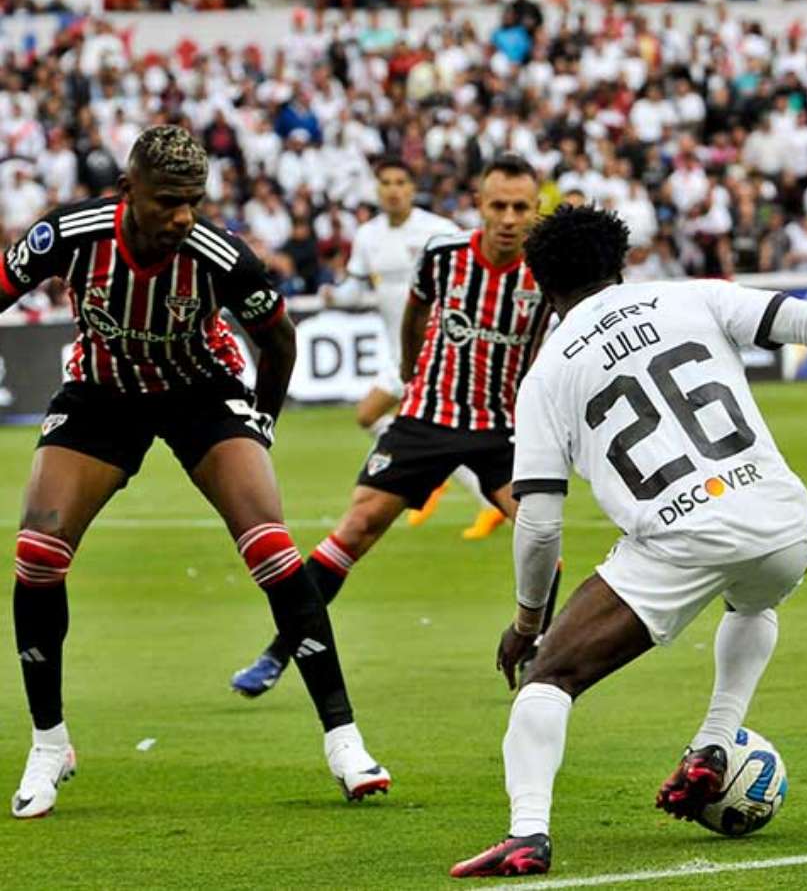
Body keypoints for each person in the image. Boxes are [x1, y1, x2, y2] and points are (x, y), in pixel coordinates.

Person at [450, 206, 807, 878]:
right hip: (783, 521)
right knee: (753, 603)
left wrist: (528, 620)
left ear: (538, 287)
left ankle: (527, 832)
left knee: (550, 677)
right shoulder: (689, 296)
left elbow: (538, 520)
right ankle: (712, 744)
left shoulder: (546, 376)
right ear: (622, 263)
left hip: (678, 537)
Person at [1, 126, 389, 819]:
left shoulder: (219, 255)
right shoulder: (70, 233)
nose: (183, 215)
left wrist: (261, 422)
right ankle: (50, 742)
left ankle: (345, 740)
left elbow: (278, 338)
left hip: (201, 393)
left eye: (194, 201)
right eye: (168, 201)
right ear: (129, 193)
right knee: (37, 554)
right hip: (103, 394)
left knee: (271, 546)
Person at [230, 154, 560, 699]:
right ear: (478, 205)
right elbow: (414, 313)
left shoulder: (546, 271)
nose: (507, 218)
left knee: (542, 538)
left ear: (534, 210)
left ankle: (540, 653)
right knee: (355, 529)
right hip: (426, 418)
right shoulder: (444, 255)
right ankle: (278, 652)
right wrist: (411, 372)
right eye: (497, 205)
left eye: (520, 207)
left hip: (503, 428)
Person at [318, 157, 505, 543]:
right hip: (399, 352)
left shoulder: (438, 231)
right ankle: (443, 476)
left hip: (437, 351)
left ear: (412, 187)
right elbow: (355, 286)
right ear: (376, 188)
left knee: (387, 417)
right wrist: (334, 295)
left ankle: (442, 477)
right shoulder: (368, 235)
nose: (392, 189)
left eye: (400, 181)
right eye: (385, 182)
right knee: (370, 417)